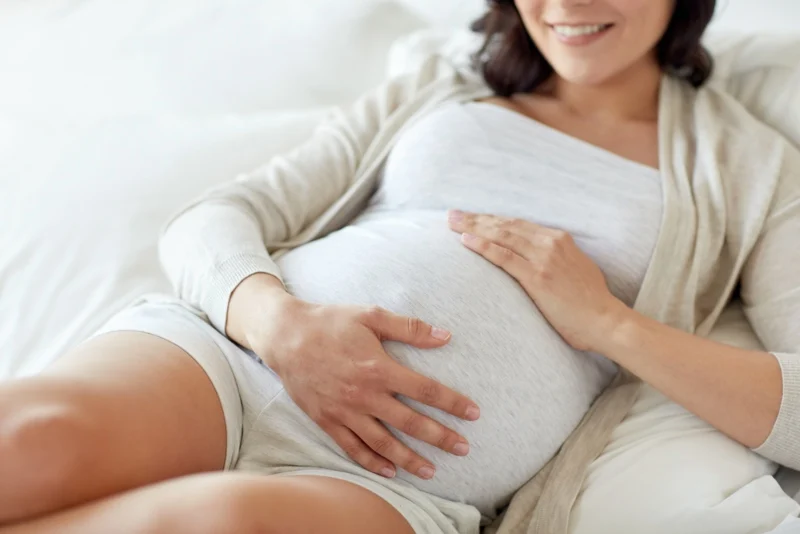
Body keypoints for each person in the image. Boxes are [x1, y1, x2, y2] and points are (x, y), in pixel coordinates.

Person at [2, 0, 799, 533]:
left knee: (218, 522)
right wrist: (278, 325)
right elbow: (215, 217)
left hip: (398, 484)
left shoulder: (748, 168)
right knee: (31, 440)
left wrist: (609, 324)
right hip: (236, 359)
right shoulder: (441, 85)